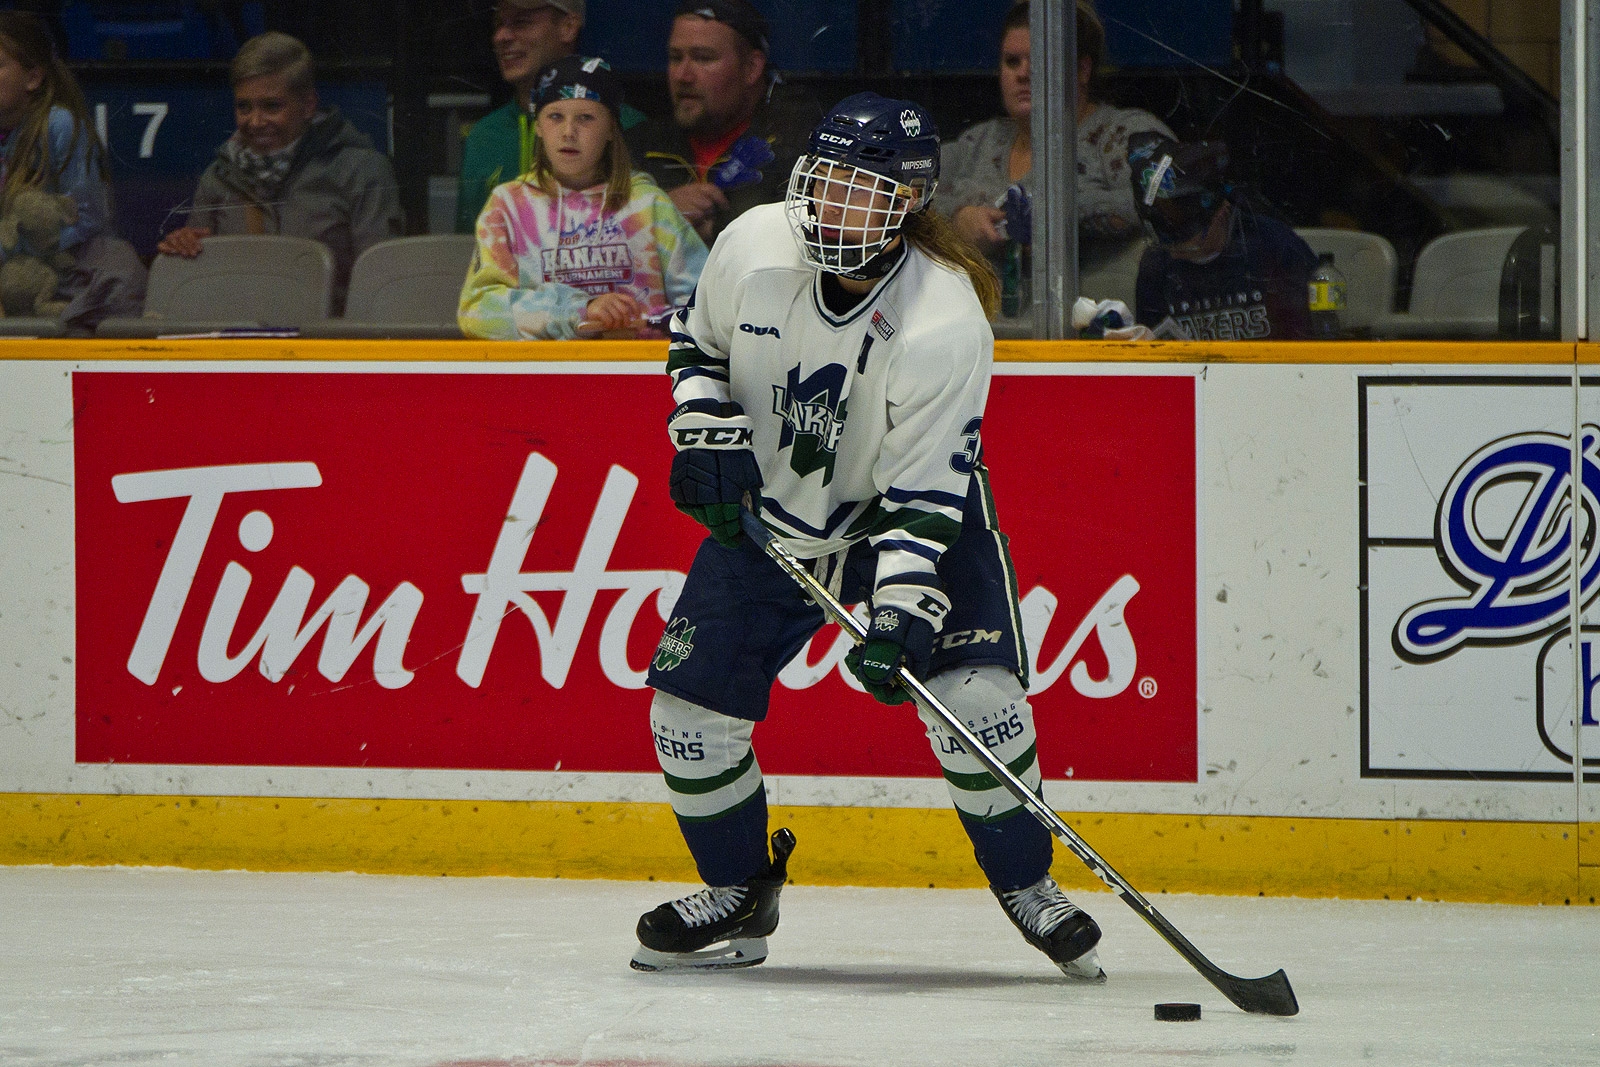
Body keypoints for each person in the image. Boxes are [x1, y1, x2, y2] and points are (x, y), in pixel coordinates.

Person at [630, 92, 1105, 983]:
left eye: (863, 191)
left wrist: (900, 610)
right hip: (774, 509)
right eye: (826, 182)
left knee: (975, 700)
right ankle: (739, 890)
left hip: (902, 512)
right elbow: (696, 348)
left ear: (909, 202)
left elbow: (924, 490)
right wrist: (705, 436)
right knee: (686, 714)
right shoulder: (755, 243)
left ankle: (1029, 883)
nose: (833, 206)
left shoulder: (944, 318)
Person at [937, 1, 1173, 313]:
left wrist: (1056, 215)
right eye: (1012, 62)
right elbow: (904, 193)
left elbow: (1170, 198)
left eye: (1039, 60)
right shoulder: (978, 143)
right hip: (988, 333)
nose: (1023, 73)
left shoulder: (1123, 135)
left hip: (1097, 335)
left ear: (1082, 70)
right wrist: (957, 220)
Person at [458, 56, 706, 340]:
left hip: (637, 364)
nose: (568, 132)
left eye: (585, 118)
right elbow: (477, 310)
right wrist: (579, 310)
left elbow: (706, 304)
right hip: (544, 367)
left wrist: (646, 324)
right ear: (538, 125)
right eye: (555, 117)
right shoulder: (509, 206)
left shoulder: (648, 205)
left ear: (611, 128)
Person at [156, 31, 403, 314]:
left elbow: (381, 287)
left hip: (327, 336)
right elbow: (198, 288)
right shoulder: (217, 178)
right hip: (237, 333)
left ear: (308, 106)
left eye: (271, 106)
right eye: (244, 107)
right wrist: (184, 246)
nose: (255, 121)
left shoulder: (362, 173)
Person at [627, 0, 818, 245]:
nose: (683, 75)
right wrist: (658, 211)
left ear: (751, 68)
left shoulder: (799, 151)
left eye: (703, 58)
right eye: (675, 58)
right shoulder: (635, 147)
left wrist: (721, 227)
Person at [0, 11, 145, 330]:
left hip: (76, 280)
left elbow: (90, 217)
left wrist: (19, 248)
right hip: (16, 285)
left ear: (33, 78)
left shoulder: (59, 125)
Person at [454, 0, 647, 234]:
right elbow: (467, 248)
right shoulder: (483, 136)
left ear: (568, 27)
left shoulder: (629, 127)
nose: (501, 36)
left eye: (521, 22)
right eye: (498, 24)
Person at [1128, 132, 1318, 340]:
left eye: (1184, 232)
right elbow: (1152, 347)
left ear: (1221, 211)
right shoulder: (1157, 267)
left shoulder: (1272, 244)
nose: (1175, 246)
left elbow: (1312, 334)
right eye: (1162, 222)